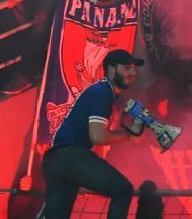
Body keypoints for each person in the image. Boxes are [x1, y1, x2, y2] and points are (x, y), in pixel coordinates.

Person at [42, 49, 143, 219]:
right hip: (71, 156)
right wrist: (129, 136)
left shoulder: (101, 91)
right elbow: (97, 137)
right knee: (123, 190)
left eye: (134, 68)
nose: (133, 73)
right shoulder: (103, 92)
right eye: (127, 68)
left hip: (56, 160)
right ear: (111, 69)